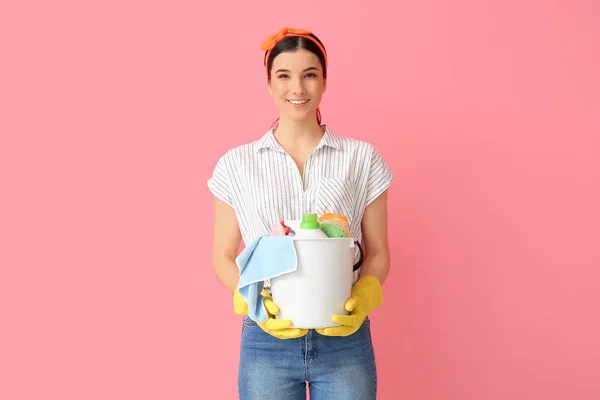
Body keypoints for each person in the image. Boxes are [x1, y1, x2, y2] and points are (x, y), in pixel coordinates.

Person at [207, 27, 393, 400]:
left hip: (344, 337)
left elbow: (378, 253)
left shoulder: (362, 159)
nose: (298, 88)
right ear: (269, 84)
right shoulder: (236, 165)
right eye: (284, 76)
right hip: (266, 341)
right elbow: (222, 256)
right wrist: (250, 300)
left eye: (310, 74)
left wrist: (368, 291)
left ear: (324, 81)